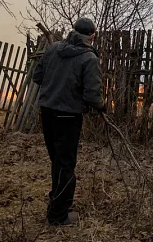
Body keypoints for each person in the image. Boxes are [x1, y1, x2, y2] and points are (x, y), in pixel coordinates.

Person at [32, 17, 106, 226]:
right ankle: (58, 215)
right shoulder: (89, 58)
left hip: (47, 111)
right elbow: (92, 95)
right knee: (65, 164)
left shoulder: (53, 48)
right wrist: (101, 106)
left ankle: (57, 200)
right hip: (69, 115)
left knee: (57, 160)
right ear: (92, 36)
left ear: (73, 31)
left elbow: (38, 77)